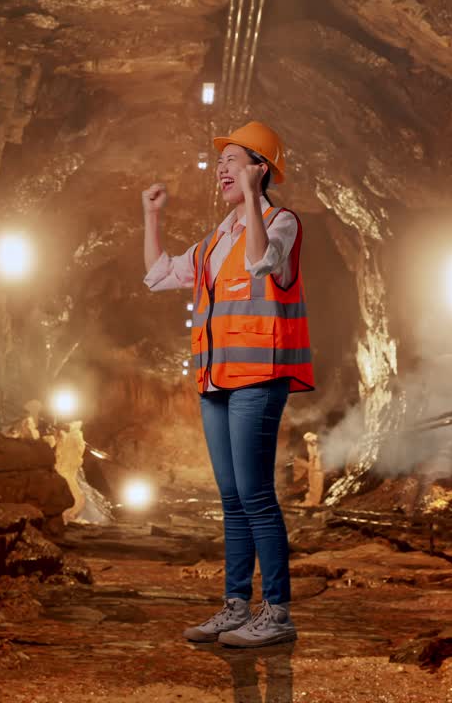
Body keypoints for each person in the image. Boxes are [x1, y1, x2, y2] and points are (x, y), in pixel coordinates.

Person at [141, 121, 314, 648]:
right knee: (232, 497)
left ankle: (277, 612)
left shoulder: (282, 223)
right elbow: (158, 275)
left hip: (260, 375)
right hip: (216, 382)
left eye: (235, 160)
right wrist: (152, 216)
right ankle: (236, 606)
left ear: (261, 169)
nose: (222, 168)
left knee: (258, 494)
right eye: (220, 162)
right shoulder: (216, 239)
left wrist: (257, 201)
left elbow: (265, 263)